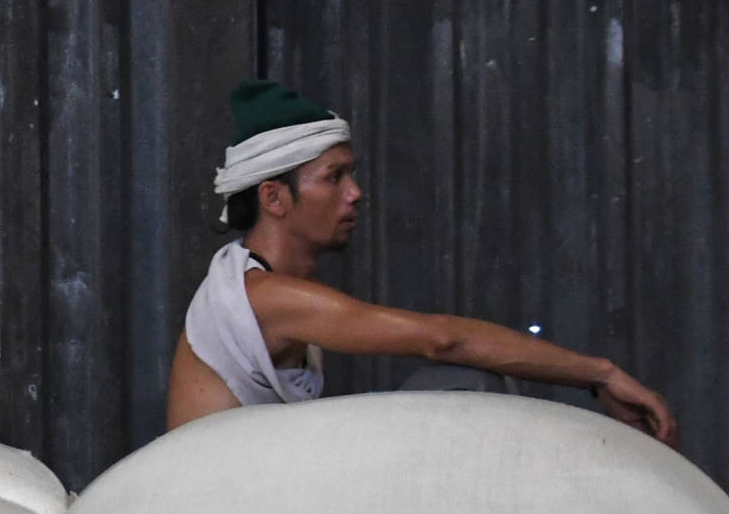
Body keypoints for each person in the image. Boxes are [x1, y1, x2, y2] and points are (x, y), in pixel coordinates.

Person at [166, 76, 677, 443]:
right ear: (275, 198)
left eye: (352, 174)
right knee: (462, 382)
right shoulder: (267, 297)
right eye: (334, 177)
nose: (356, 193)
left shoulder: (258, 283)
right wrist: (601, 374)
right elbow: (441, 339)